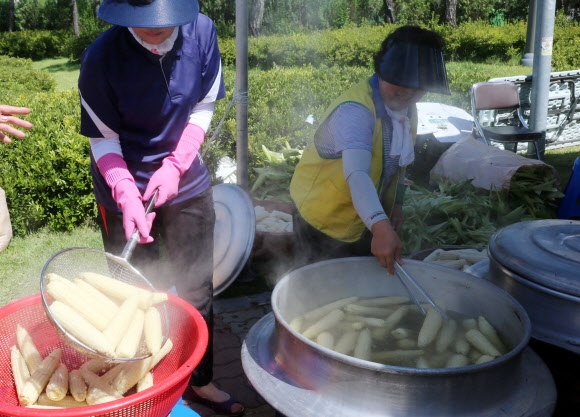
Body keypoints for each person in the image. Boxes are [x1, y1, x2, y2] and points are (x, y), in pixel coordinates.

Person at [77, 1, 244, 416]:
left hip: (184, 179)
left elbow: (203, 106)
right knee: (133, 292)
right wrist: (125, 191)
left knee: (196, 287)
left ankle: (200, 380)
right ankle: (141, 385)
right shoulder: (100, 58)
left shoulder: (202, 32)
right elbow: (103, 139)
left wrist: (175, 165)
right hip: (123, 183)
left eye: (165, 22)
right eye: (145, 25)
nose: (156, 31)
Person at [289, 25, 450, 275]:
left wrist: (396, 205)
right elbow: (357, 174)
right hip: (322, 217)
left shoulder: (407, 110)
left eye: (417, 86)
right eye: (399, 83)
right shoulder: (356, 111)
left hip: (362, 217)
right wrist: (381, 227)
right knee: (316, 285)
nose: (407, 92)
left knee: (356, 283)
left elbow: (400, 161)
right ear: (381, 71)